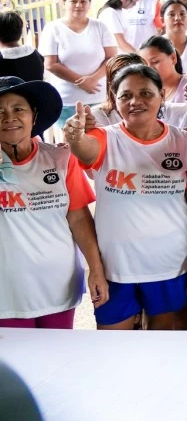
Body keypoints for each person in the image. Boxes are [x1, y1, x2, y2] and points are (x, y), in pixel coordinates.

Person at [63, 65, 187, 329]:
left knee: (161, 344)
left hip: (168, 263)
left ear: (161, 95)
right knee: (114, 349)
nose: (135, 101)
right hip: (115, 267)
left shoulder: (182, 143)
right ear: (114, 99)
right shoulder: (105, 138)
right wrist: (75, 138)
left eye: (145, 93)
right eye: (126, 96)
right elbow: (86, 151)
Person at [0, 76, 108, 328]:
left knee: (56, 363)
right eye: (0, 111)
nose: (9, 117)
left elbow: (79, 218)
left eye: (18, 109)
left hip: (58, 285)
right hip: (6, 293)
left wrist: (96, 269)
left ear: (34, 115)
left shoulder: (61, 158)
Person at [42, 0, 118, 125]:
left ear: (89, 4)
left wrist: (93, 79)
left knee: (102, 141)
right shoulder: (53, 28)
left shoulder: (100, 26)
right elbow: (50, 64)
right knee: (71, 142)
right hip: (67, 100)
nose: (79, 5)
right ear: (64, 3)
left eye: (83, 1)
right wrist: (81, 82)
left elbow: (112, 57)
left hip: (100, 98)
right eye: (74, 1)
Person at [139, 36, 187, 105]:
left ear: (173, 58)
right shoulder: (144, 90)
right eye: (144, 64)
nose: (149, 68)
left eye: (155, 61)